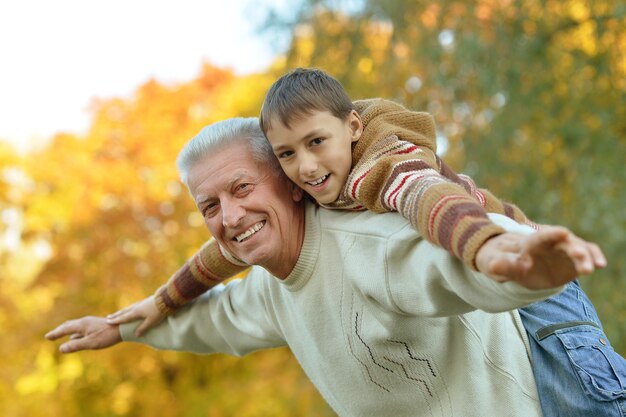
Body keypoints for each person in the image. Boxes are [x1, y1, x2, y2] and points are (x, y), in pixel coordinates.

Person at [47, 118, 608, 416]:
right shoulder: (269, 287)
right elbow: (206, 318)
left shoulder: (367, 241)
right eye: (210, 206)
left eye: (242, 189)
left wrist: (515, 262)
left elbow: (440, 268)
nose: (230, 216)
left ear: (291, 186)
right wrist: (117, 329)